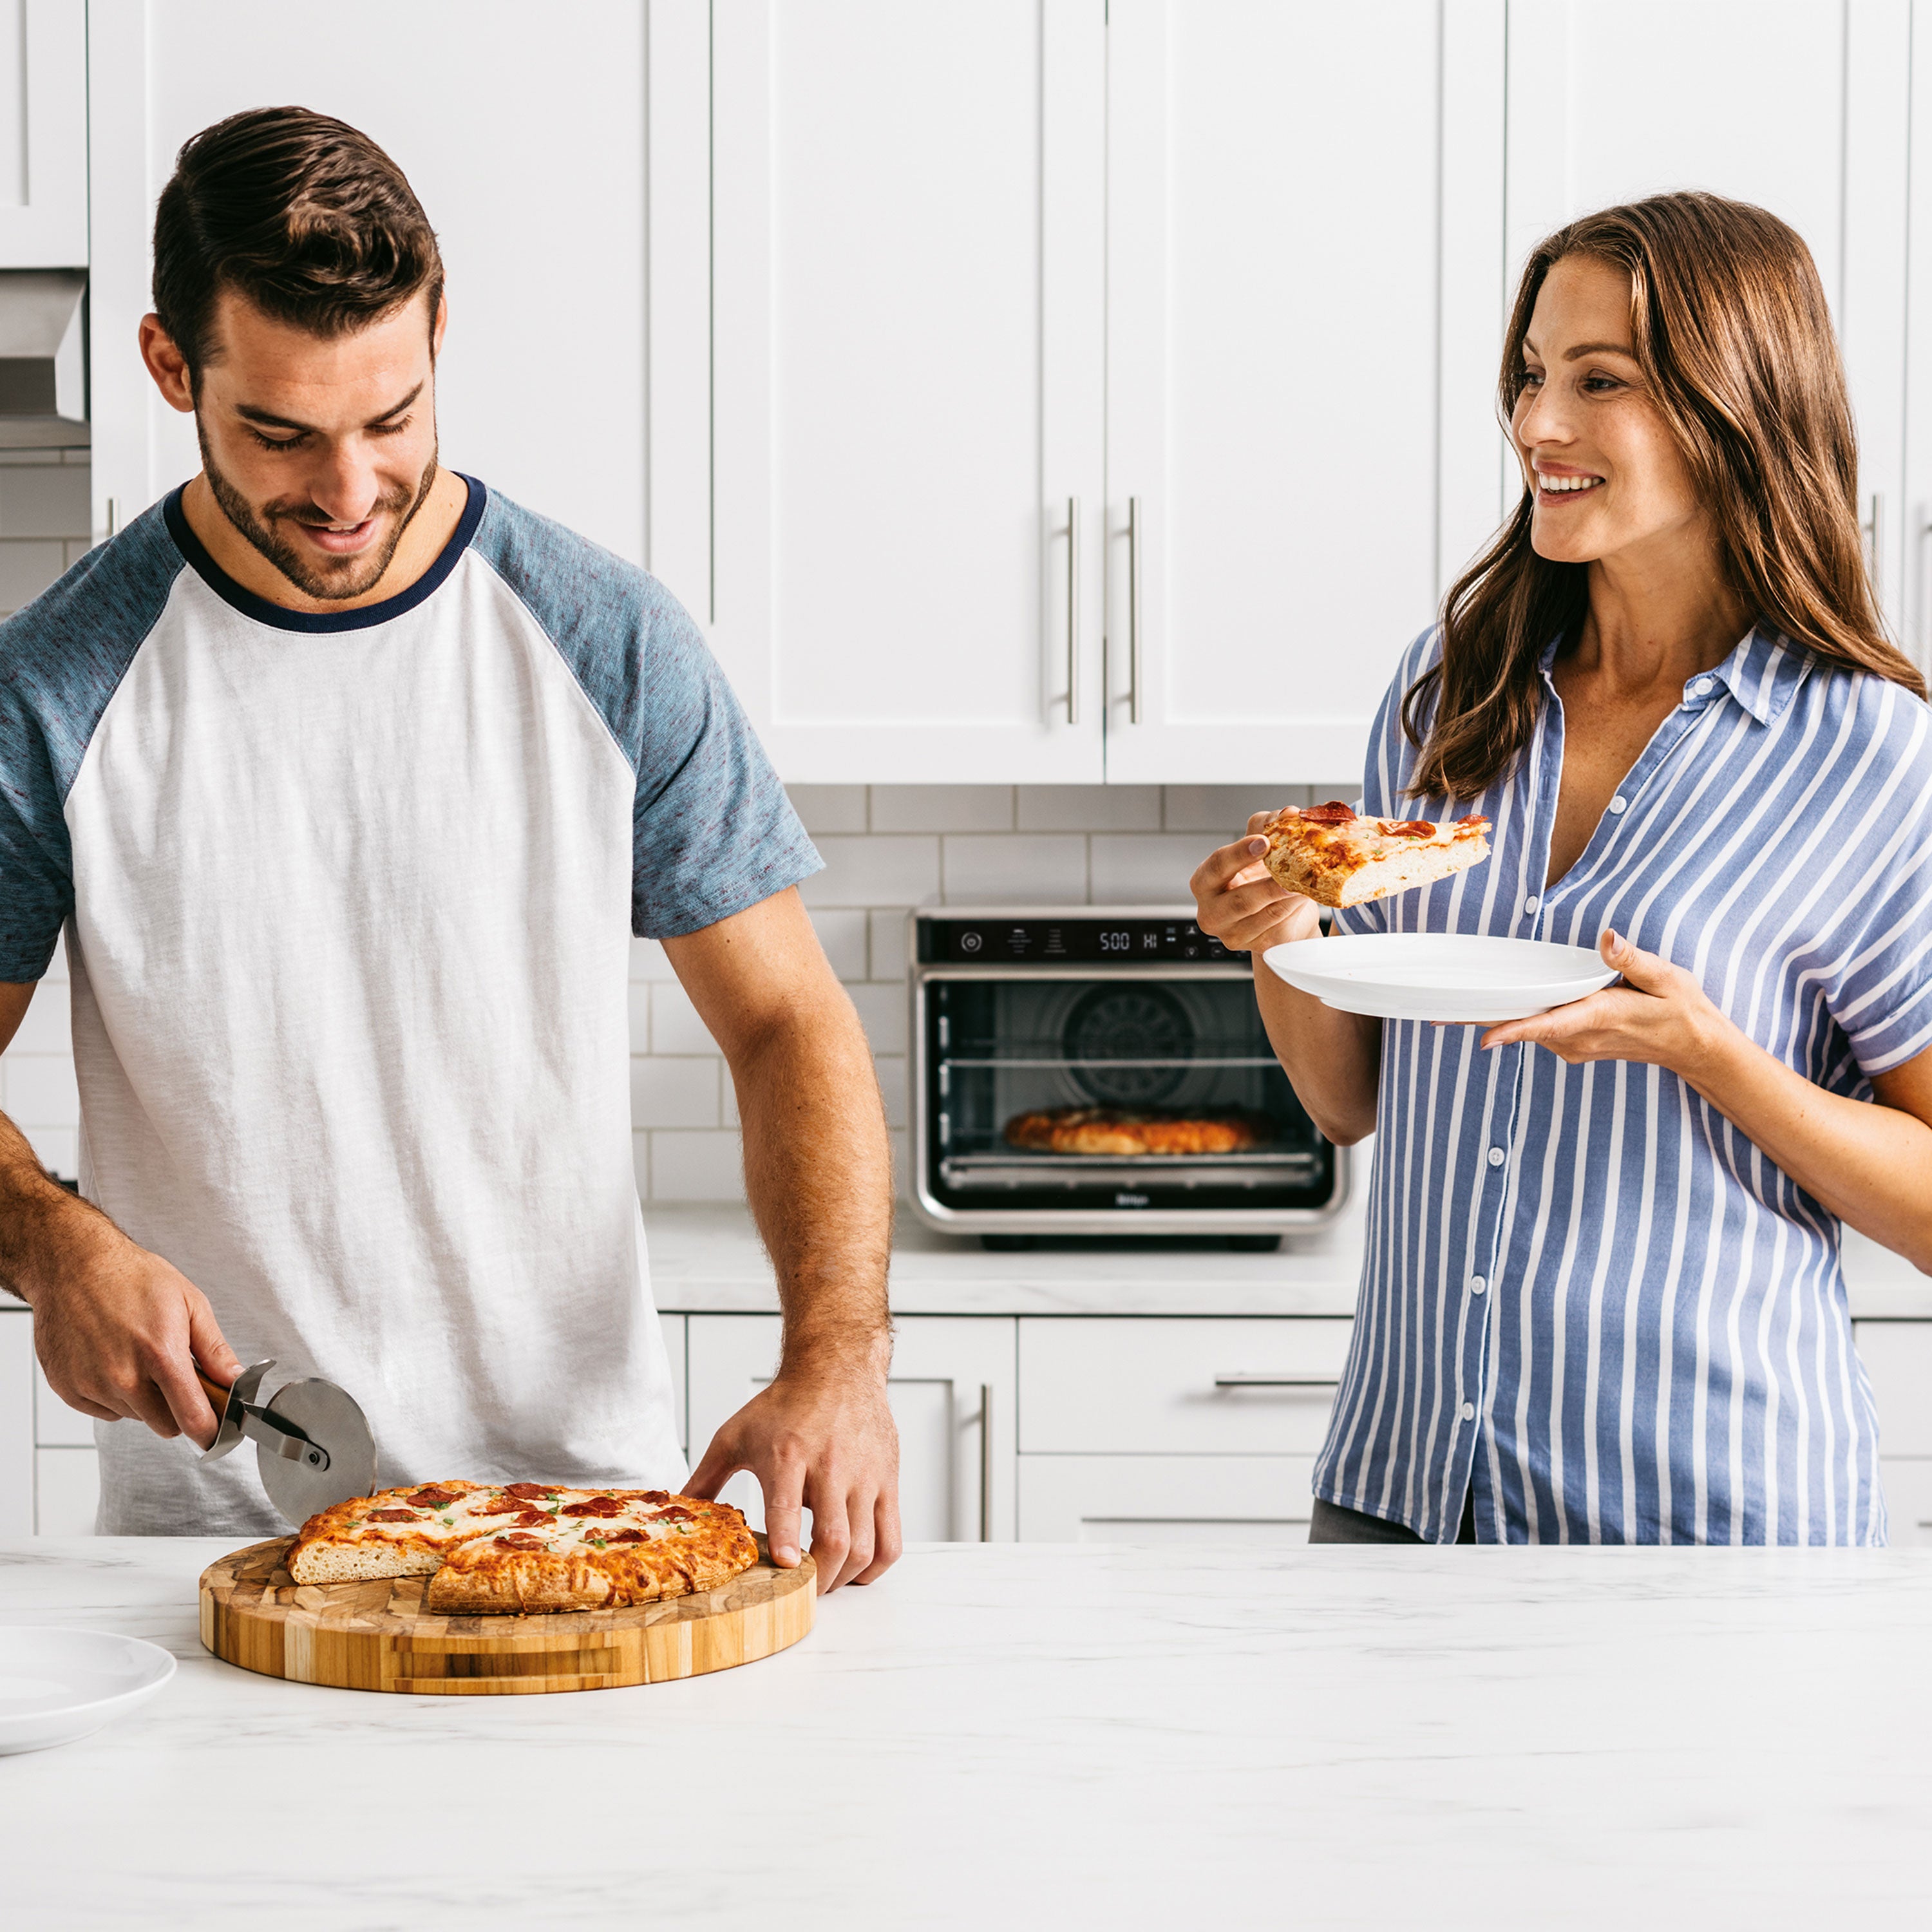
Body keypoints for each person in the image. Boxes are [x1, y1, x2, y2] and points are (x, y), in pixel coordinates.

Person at [0, 107, 900, 1591]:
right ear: (173, 370)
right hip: (219, 1552)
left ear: (437, 346)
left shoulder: (609, 640)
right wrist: (51, 1246)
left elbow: (787, 1020)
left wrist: (838, 1360)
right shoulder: (55, 689)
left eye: (393, 418)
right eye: (281, 433)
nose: (348, 492)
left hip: (582, 1520)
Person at [1191, 191, 1932, 1545]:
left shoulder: (1873, 753)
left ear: (1740, 407)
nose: (1538, 425)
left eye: (1602, 382)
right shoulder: (1450, 689)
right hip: (1403, 1491)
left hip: (1705, 1522)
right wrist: (1283, 931)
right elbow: (1347, 1098)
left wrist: (1718, 1058)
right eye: (1532, 376)